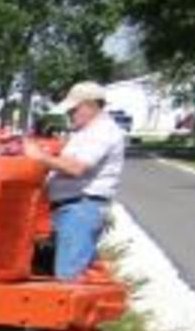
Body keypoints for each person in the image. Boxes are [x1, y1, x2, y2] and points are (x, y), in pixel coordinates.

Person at [24, 82, 125, 279]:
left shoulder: (102, 132)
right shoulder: (88, 132)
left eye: (73, 109)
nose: (69, 114)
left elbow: (76, 167)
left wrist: (39, 157)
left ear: (89, 105)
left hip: (80, 209)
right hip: (72, 209)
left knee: (69, 276)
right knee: (69, 270)